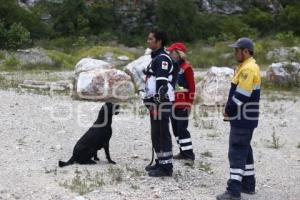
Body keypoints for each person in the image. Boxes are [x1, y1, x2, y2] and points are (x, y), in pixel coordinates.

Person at [217, 37, 261, 200]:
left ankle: (234, 191)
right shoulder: (245, 66)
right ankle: (248, 185)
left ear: (246, 51)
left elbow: (242, 94)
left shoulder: (249, 68)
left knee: (236, 151)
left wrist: (229, 109)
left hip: (243, 117)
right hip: (245, 117)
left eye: (237, 50)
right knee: (244, 150)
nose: (234, 52)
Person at [142, 29, 176, 177]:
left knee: (162, 133)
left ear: (159, 41)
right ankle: (160, 161)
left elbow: (162, 84)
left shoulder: (162, 59)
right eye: (148, 39)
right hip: (155, 102)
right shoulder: (156, 57)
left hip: (161, 103)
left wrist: (157, 101)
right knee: (156, 133)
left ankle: (166, 167)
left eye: (151, 39)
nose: (148, 41)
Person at [166, 42, 196, 164]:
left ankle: (189, 155)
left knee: (182, 129)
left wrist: (190, 103)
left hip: (183, 104)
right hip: (173, 103)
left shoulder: (187, 68)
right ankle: (182, 151)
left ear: (178, 54)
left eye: (171, 52)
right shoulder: (172, 67)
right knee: (176, 130)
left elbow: (192, 87)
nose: (169, 54)